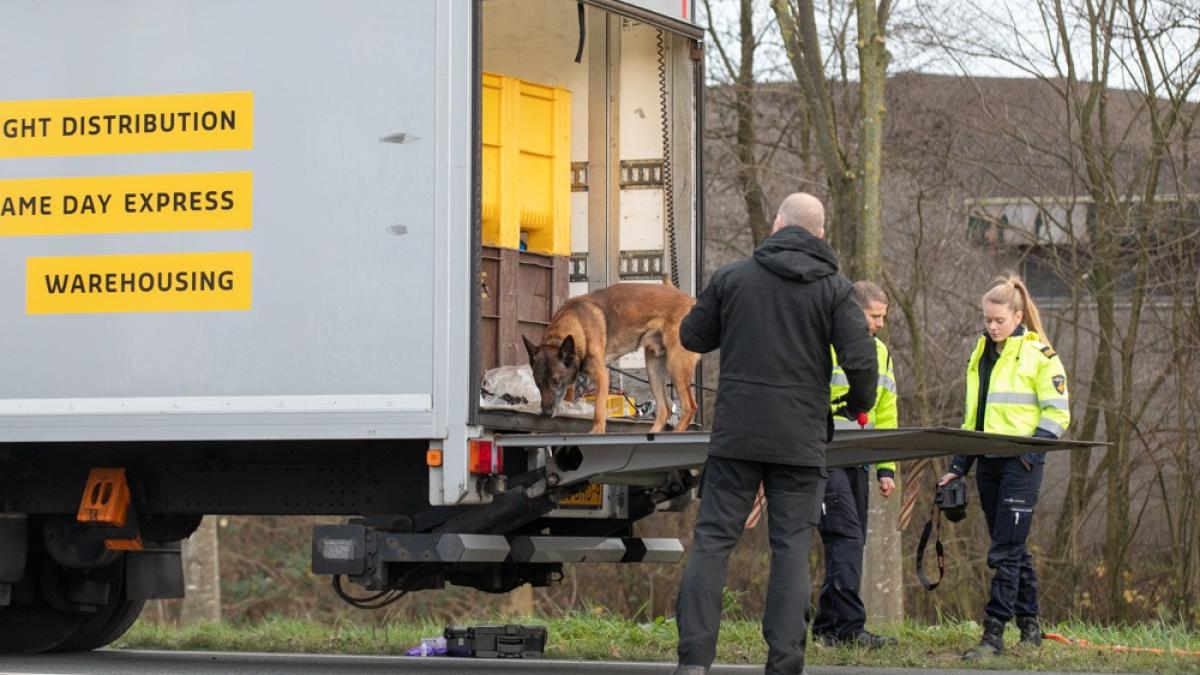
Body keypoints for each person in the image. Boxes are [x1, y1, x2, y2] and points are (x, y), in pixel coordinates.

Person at [672, 192, 878, 675]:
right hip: (801, 439)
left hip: (738, 434)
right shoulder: (835, 289)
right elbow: (862, 360)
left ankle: (694, 662)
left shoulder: (733, 278)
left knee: (713, 543)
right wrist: (859, 404)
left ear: (777, 224)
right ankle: (784, 664)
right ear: (820, 235)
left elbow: (692, 337)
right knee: (790, 549)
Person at [937, 274, 1070, 660]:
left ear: (1017, 316)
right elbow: (973, 419)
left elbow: (1058, 414)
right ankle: (1030, 625)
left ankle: (993, 634)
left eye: (999, 320)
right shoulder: (980, 355)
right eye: (987, 320)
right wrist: (958, 467)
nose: (992, 327)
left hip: (1022, 464)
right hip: (988, 464)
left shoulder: (1040, 355)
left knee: (1005, 550)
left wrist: (1031, 453)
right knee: (1014, 546)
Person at [811, 280, 899, 649]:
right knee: (845, 537)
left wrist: (886, 468)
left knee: (852, 540)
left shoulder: (880, 352)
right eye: (873, 315)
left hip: (860, 459)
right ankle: (848, 627)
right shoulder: (824, 346)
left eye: (883, 317)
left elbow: (887, 411)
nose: (879, 323)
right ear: (854, 310)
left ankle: (828, 627)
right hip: (826, 454)